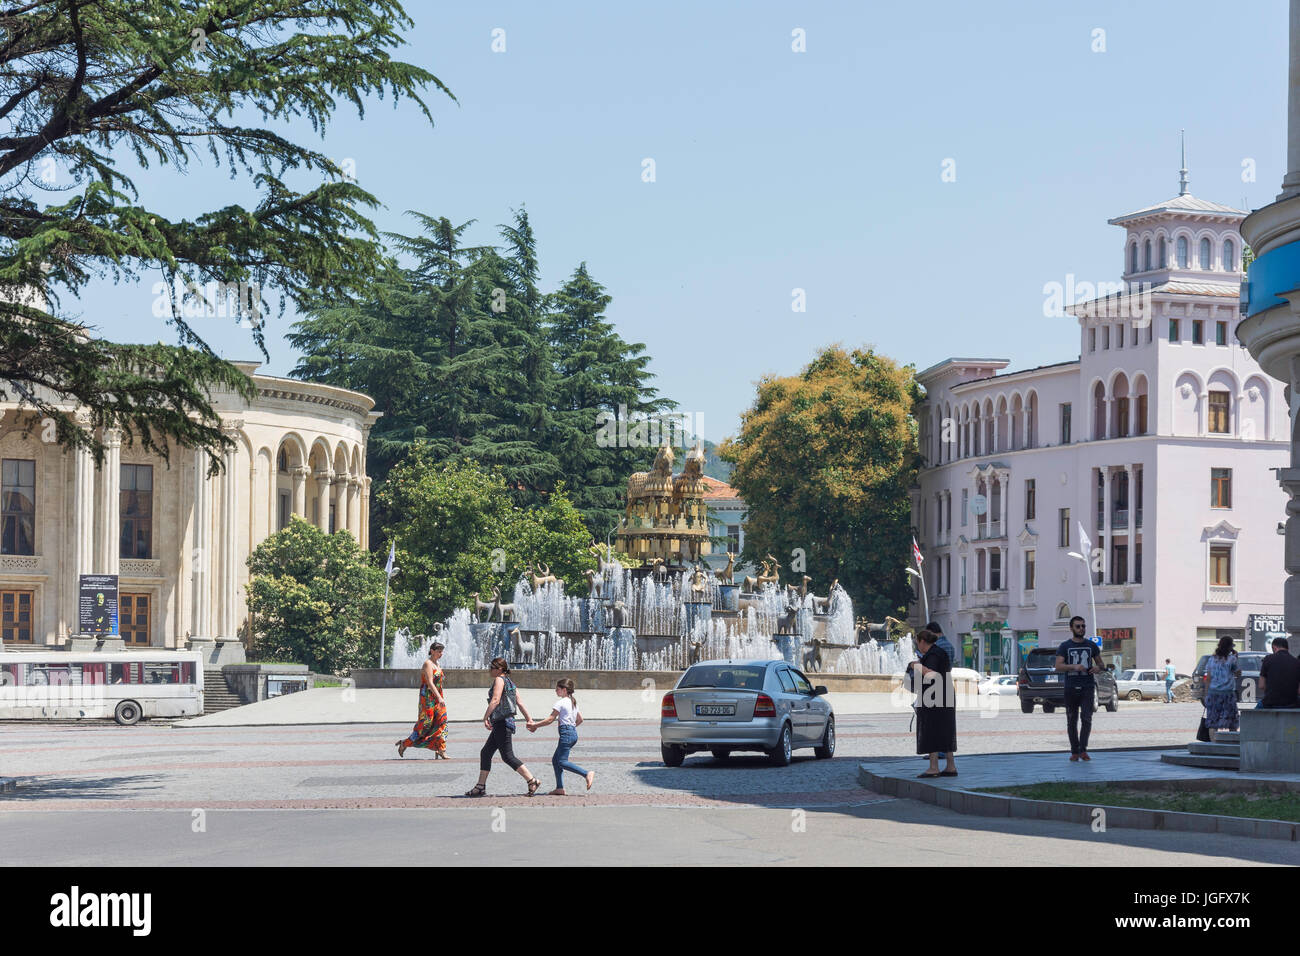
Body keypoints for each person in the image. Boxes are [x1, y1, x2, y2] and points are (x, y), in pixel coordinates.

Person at [465, 658, 542, 797]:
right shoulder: (510, 682)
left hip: (501, 722)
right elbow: (520, 703)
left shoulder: (500, 680)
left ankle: (532, 780)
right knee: (486, 752)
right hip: (504, 722)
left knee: (507, 756)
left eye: (492, 667)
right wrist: (529, 719)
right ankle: (480, 786)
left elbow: (495, 700)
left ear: (500, 668)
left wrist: (485, 717)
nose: (490, 670)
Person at [528, 677, 595, 795]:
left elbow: (550, 719)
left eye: (557, 689)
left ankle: (586, 773)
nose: (555, 691)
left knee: (562, 761)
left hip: (566, 734)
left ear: (564, 690)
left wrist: (535, 725)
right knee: (555, 760)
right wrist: (571, 728)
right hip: (572, 733)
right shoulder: (572, 702)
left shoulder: (561, 702)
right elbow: (580, 719)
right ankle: (560, 788)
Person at [911, 628, 957, 778]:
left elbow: (932, 674)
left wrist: (915, 666)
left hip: (935, 699)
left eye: (918, 643)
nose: (918, 646)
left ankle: (933, 767)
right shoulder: (940, 652)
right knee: (946, 731)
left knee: (932, 730)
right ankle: (950, 766)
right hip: (945, 696)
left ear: (923, 641)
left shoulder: (933, 654)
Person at [1055, 616, 1102, 761]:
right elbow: (1058, 666)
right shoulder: (1065, 646)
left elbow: (1101, 664)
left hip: (1087, 686)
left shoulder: (1091, 645)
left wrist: (1097, 668)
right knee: (1071, 719)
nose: (1081, 629)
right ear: (1071, 628)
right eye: (1078, 626)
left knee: (1086, 718)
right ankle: (1074, 751)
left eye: (1083, 626)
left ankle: (1083, 749)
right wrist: (1074, 666)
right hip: (1070, 687)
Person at [397, 640, 448, 758]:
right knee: (425, 724)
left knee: (442, 721)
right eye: (439, 651)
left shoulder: (437, 664)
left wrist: (440, 697)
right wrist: (439, 697)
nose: (441, 654)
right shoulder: (428, 664)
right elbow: (430, 682)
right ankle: (405, 743)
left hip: (438, 698)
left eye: (442, 652)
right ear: (432, 651)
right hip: (428, 698)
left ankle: (440, 748)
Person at [923, 621, 956, 762]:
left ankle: (936, 754)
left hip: (935, 686)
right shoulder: (950, 645)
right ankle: (947, 755)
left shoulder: (936, 647)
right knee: (946, 722)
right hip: (947, 683)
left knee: (934, 723)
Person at [1203, 636, 1241, 734]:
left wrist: (1206, 695)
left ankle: (1213, 744)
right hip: (1227, 694)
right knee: (1232, 722)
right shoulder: (1232, 659)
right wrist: (1237, 658)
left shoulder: (1212, 659)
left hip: (1213, 694)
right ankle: (1231, 744)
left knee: (1212, 721)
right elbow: (1238, 673)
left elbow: (1208, 679)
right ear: (1230, 647)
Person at [1257, 637, 1300, 709]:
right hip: (1292, 704)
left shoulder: (1267, 659)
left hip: (1270, 703)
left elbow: (1261, 685)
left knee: (1253, 714)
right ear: (1287, 648)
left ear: (1274, 647)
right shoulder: (1297, 662)